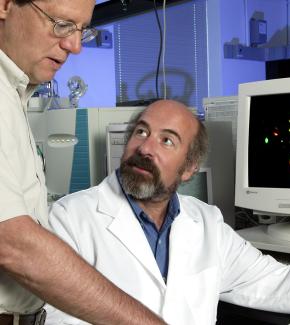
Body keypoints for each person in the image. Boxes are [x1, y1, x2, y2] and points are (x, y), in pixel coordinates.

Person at [45, 99, 290, 325]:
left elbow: (276, 283)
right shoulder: (71, 219)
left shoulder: (205, 222)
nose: (145, 147)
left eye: (167, 141)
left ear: (189, 168)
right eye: (141, 132)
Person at [0, 0, 166, 324]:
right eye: (61, 24)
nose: (74, 46)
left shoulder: (14, 94)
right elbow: (14, 244)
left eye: (82, 30)